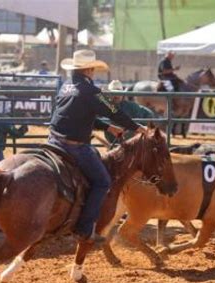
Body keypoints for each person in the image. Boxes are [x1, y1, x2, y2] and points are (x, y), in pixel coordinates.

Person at [48, 49, 147, 243]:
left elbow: (77, 115)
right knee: (103, 182)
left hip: (53, 141)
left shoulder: (66, 87)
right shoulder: (92, 92)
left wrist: (108, 127)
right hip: (74, 145)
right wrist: (136, 127)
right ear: (90, 70)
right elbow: (114, 111)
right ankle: (85, 228)